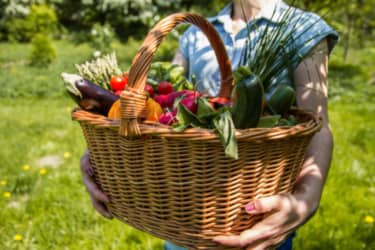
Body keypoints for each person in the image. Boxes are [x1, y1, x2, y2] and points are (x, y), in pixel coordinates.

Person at [80, 0, 339, 249]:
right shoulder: (194, 32)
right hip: (185, 210)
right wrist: (103, 156)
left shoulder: (304, 28)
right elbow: (158, 110)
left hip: (258, 222)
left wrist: (307, 199)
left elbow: (316, 124)